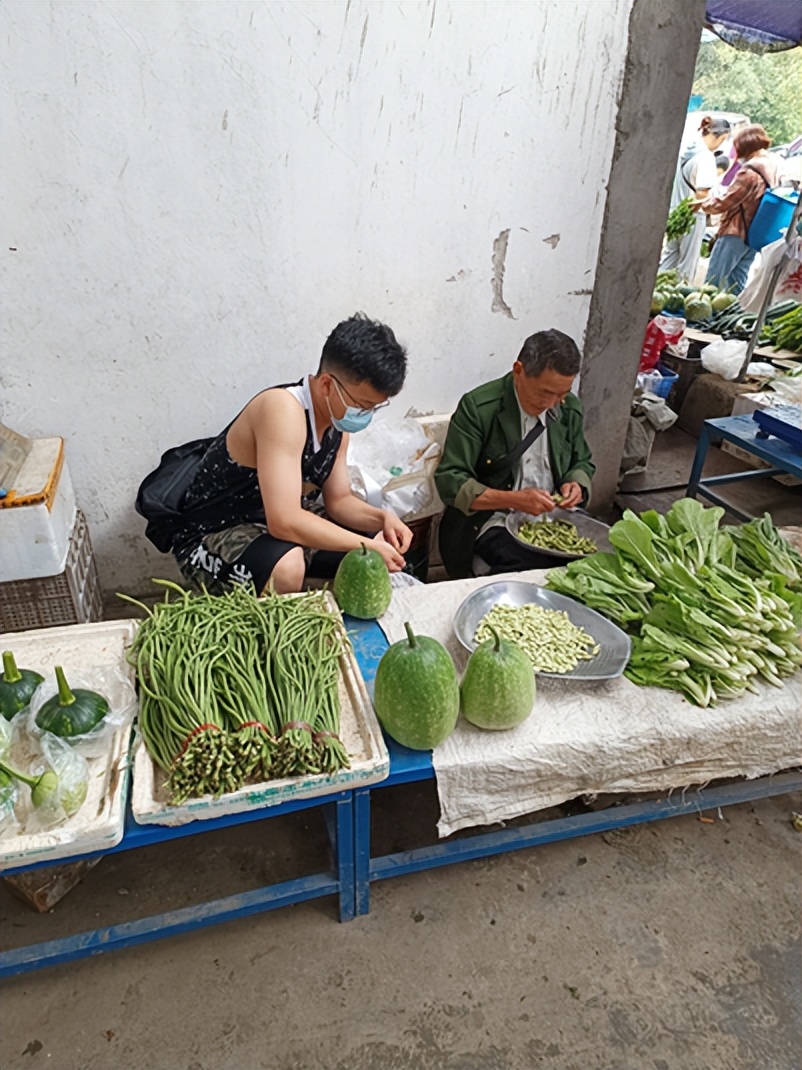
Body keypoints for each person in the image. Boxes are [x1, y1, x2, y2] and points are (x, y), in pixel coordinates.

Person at [164, 313, 412, 595]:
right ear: (328, 385)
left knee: (380, 546)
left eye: (373, 408)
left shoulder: (336, 423)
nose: (364, 415)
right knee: (289, 566)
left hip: (270, 523)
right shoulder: (282, 410)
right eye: (362, 405)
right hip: (214, 532)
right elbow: (283, 520)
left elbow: (339, 500)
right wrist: (365, 545)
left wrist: (383, 519)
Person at [434, 329, 595, 579]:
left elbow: (581, 460)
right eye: (544, 393)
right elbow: (451, 481)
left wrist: (576, 483)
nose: (552, 403)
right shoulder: (479, 408)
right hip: (492, 518)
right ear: (518, 370)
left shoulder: (569, 408)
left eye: (562, 394)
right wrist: (513, 499)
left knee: (592, 565)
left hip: (552, 518)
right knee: (528, 567)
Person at [701, 124, 779, 295]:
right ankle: (727, 319)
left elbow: (726, 202)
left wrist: (702, 205)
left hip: (734, 233)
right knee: (735, 285)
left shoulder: (749, 173)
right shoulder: (771, 169)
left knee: (713, 283)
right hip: (752, 235)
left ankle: (705, 321)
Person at [659, 115, 732, 283]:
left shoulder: (687, 150)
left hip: (676, 211)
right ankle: (673, 302)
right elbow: (702, 193)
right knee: (686, 266)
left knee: (669, 258)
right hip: (692, 216)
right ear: (719, 136)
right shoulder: (706, 158)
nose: (722, 143)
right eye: (723, 139)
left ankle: (654, 293)